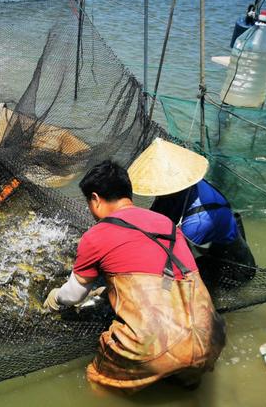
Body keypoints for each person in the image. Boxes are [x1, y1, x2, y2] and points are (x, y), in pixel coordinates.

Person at [43, 160, 225, 392]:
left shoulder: (96, 235)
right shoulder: (168, 224)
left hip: (151, 349)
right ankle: (182, 378)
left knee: (96, 379)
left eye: (89, 202)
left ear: (96, 199)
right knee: (180, 375)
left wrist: (55, 299)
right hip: (210, 341)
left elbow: (75, 294)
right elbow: (167, 280)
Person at [128, 137, 257, 286]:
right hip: (206, 248)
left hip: (231, 267)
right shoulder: (178, 188)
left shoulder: (197, 222)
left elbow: (179, 266)